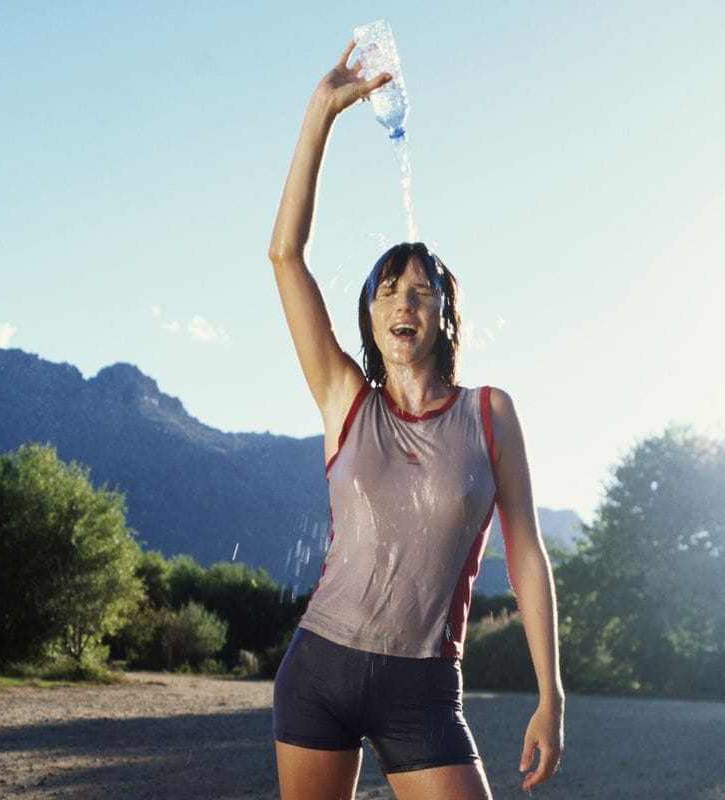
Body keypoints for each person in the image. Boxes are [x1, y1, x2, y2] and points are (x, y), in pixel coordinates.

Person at [268, 39, 565, 800]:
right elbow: (285, 255)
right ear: (369, 319)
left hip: (425, 689)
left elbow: (525, 551)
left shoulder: (490, 414)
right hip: (320, 671)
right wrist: (321, 113)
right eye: (388, 289)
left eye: (422, 290)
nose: (405, 299)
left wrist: (550, 693)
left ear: (445, 316)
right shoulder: (344, 400)